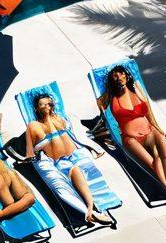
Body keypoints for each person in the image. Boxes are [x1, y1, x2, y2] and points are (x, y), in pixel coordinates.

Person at [99, 65, 166, 222]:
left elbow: (149, 112)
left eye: (121, 75)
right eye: (115, 77)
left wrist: (159, 128)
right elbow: (101, 107)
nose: (119, 78)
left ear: (127, 76)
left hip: (150, 132)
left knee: (164, 160)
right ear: (112, 82)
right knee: (154, 164)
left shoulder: (136, 88)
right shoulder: (110, 97)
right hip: (131, 138)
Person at [24, 93, 113, 225]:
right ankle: (91, 211)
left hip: (75, 157)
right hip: (58, 162)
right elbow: (29, 151)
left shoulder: (61, 119)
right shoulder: (33, 125)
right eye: (42, 104)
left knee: (77, 171)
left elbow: (76, 136)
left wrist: (92, 148)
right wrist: (35, 157)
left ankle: (91, 209)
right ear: (36, 108)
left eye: (49, 103)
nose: (46, 106)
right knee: (68, 182)